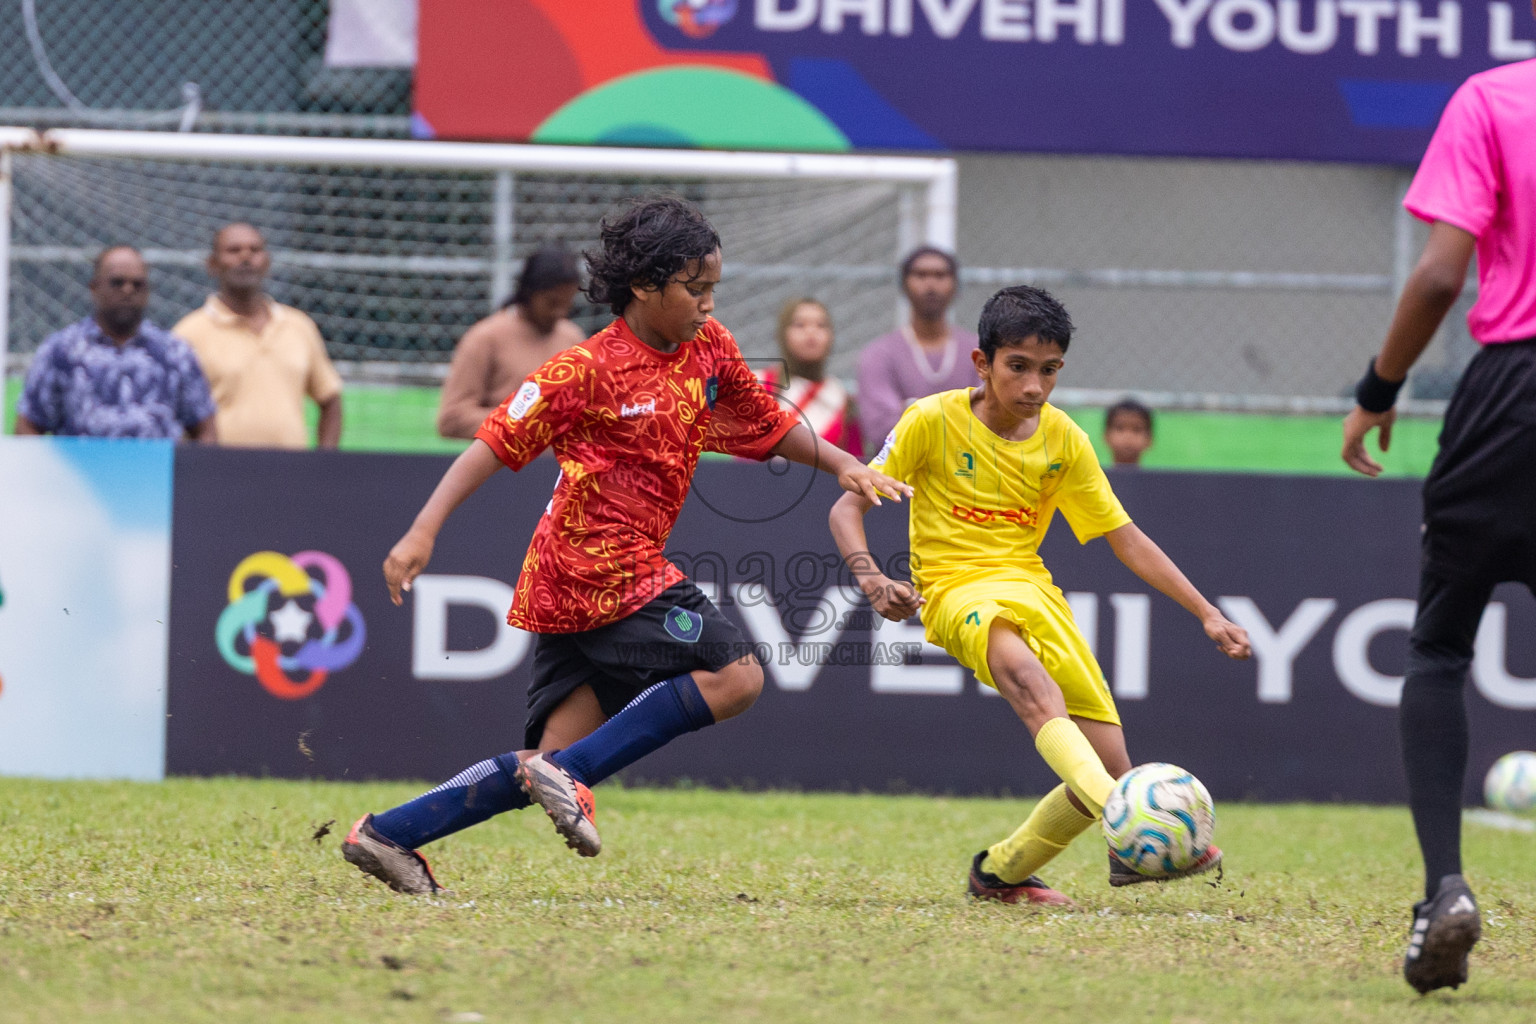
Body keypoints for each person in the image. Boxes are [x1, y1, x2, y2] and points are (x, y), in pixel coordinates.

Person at [341, 195, 909, 893]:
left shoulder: (708, 348)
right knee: (738, 676)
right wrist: (423, 530)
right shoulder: (581, 369)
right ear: (644, 286)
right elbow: (492, 441)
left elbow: (764, 421)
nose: (707, 305)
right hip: (597, 566)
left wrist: (843, 463)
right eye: (694, 290)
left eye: (712, 290)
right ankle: (570, 776)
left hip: (586, 580)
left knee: (546, 759)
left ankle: (387, 835)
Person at [830, 285, 1250, 906]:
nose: (1033, 386)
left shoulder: (1064, 441)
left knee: (1105, 761)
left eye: (1048, 370)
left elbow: (1125, 538)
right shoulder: (929, 420)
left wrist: (1207, 612)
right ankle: (1127, 820)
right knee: (1030, 683)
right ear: (982, 363)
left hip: (1033, 590)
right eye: (1017, 367)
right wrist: (870, 578)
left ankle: (1000, 873)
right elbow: (846, 509)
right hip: (954, 591)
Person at [1339, 36, 1536, 996]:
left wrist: (1378, 388)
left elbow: (1437, 277)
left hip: (1512, 393)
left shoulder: (1494, 99)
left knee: (1441, 646)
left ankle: (1444, 893)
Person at [15, 246, 217, 441]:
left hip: (155, 475)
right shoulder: (61, 351)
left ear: (148, 291)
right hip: (81, 474)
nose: (127, 290)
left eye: (137, 284)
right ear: (94, 288)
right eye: (117, 283)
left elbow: (205, 429)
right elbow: (29, 425)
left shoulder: (175, 353)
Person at [173, 223, 343, 449]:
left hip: (290, 476)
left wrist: (325, 463)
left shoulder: (299, 326)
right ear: (212, 264)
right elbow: (171, 412)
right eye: (233, 250)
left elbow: (329, 399)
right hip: (219, 477)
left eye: (255, 250)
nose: (246, 257)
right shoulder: (188, 333)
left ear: (267, 263)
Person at [437, 247, 586, 440]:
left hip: (564, 467)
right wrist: (524, 423)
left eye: (567, 304)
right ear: (529, 292)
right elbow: (451, 418)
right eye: (552, 303)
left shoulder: (572, 338)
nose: (559, 313)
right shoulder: (485, 338)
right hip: (505, 465)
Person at [856, 246, 978, 446]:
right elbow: (881, 429)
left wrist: (911, 411)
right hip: (898, 474)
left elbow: (990, 421)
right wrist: (958, 417)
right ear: (904, 284)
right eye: (920, 275)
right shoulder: (878, 354)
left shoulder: (979, 350)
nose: (930, 284)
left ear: (955, 284)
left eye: (940, 275)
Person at [759, 297, 861, 456]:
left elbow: (855, 459)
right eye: (800, 325)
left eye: (821, 325)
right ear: (782, 333)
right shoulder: (757, 384)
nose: (811, 332)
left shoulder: (841, 398)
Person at [1104, 398, 1154, 468]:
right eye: (1120, 428)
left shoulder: (1159, 479)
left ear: (1149, 439)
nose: (1128, 436)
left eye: (1137, 429)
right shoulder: (1095, 478)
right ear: (1106, 436)